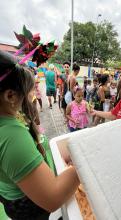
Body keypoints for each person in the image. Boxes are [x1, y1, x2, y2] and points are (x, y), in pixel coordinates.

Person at [0, 51, 80, 220]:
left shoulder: (8, 122)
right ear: (10, 95)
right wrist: (83, 164)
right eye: (28, 92)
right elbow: (53, 198)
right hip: (26, 205)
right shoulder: (11, 136)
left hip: (9, 194)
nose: (32, 96)